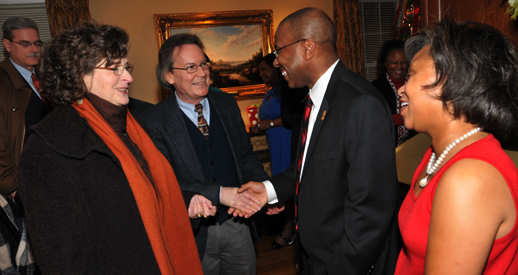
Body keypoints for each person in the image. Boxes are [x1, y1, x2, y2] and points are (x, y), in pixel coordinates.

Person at [17, 22, 215, 274]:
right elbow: (63, 259)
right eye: (114, 68)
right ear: (79, 74)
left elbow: (138, 193)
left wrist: (185, 201)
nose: (129, 77)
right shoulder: (47, 149)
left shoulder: (129, 126)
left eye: (126, 67)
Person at [236, 7, 401, 275]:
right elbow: (310, 165)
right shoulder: (313, 99)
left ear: (308, 48)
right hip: (313, 255)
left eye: (279, 51)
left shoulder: (360, 103)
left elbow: (370, 211)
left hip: (342, 262)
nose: (276, 61)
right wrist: (268, 189)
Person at [137, 33, 268, 275]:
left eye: (204, 64)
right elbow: (165, 181)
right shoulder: (152, 121)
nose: (202, 73)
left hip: (236, 223)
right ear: (168, 75)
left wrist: (266, 190)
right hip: (192, 233)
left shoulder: (227, 104)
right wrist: (219, 194)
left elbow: (245, 156)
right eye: (190, 67)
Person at [395, 20, 518, 274]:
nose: (401, 90)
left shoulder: (470, 179)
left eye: (411, 75)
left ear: (451, 83)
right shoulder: (435, 154)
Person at [0, 16, 48, 275]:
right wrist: (14, 186)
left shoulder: (45, 78)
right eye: (25, 44)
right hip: (21, 188)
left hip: (51, 182)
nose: (34, 50)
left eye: (37, 43)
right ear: (7, 45)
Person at [249, 53, 296, 249]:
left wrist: (268, 124)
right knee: (280, 184)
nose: (261, 74)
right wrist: (260, 126)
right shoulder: (271, 91)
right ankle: (288, 226)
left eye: (264, 69)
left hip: (287, 141)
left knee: (290, 186)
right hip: (275, 145)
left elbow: (293, 117)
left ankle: (289, 230)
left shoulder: (288, 89)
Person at [371, 39, 413, 146]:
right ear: (385, 64)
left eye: (403, 62)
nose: (399, 66)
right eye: (394, 62)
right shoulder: (375, 88)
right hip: (385, 148)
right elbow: (373, 120)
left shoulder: (415, 84)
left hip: (414, 147)